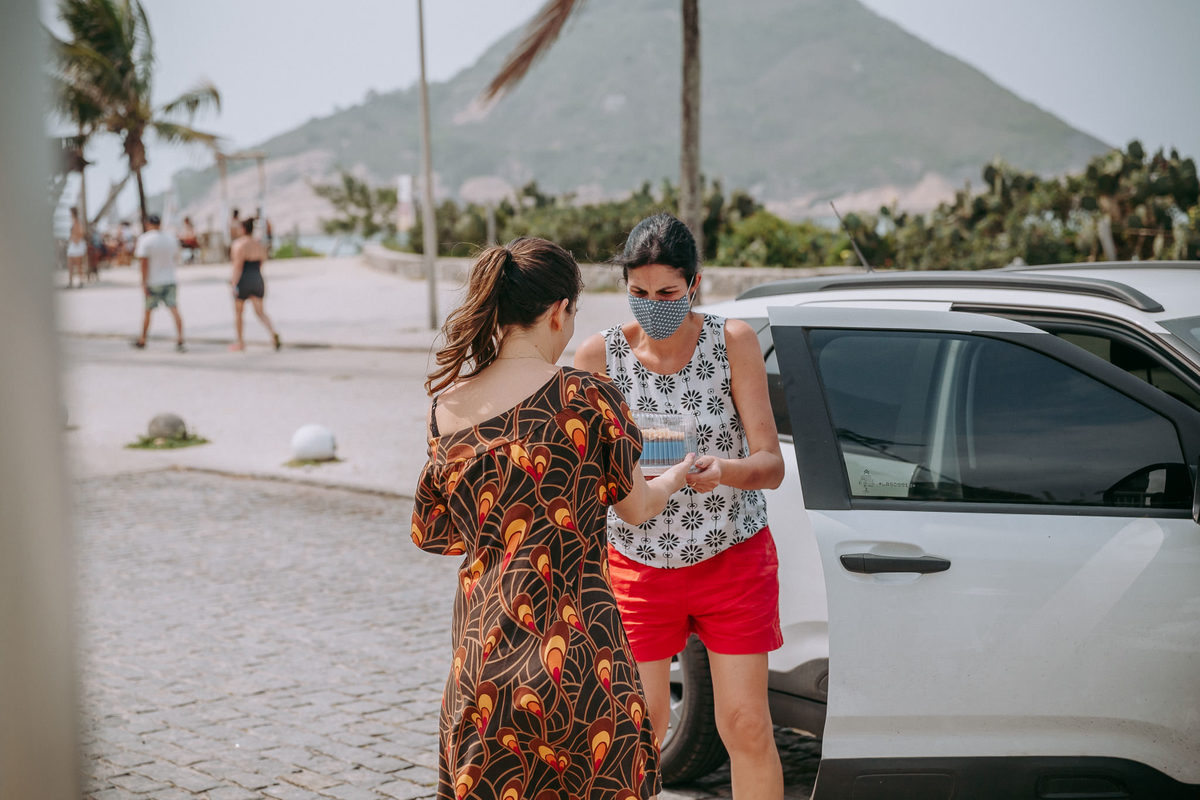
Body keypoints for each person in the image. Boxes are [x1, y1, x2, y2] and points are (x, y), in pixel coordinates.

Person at [412, 237, 695, 799]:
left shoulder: (447, 405)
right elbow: (638, 509)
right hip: (584, 665)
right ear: (560, 310)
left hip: (483, 659)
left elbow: (439, 535)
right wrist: (677, 474)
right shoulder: (587, 396)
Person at [574, 213, 786, 799]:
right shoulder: (600, 357)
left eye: (667, 293)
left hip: (731, 557)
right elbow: (583, 473)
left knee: (744, 725)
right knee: (638, 731)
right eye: (638, 293)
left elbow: (771, 465)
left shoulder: (732, 342)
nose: (653, 305)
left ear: (695, 284)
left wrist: (722, 472)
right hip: (639, 563)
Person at [132, 214, 185, 352]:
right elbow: (175, 257)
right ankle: (180, 339)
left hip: (153, 281)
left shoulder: (145, 240)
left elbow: (144, 263)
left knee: (148, 312)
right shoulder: (170, 238)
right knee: (174, 309)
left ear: (148, 224)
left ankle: (143, 339)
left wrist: (143, 283)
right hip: (170, 279)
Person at [229, 217, 280, 351]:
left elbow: (237, 266)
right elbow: (263, 261)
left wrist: (233, 283)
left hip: (243, 278)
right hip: (257, 277)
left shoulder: (238, 244)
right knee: (260, 312)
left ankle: (240, 342)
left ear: (243, 229)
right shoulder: (259, 244)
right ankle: (272, 333)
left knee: (239, 313)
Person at [66, 207, 87, 288]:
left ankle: (81, 281)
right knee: (70, 264)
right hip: (72, 245)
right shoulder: (72, 222)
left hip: (77, 245)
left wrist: (76, 239)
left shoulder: (78, 222)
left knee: (79, 265)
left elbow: (81, 233)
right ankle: (70, 282)